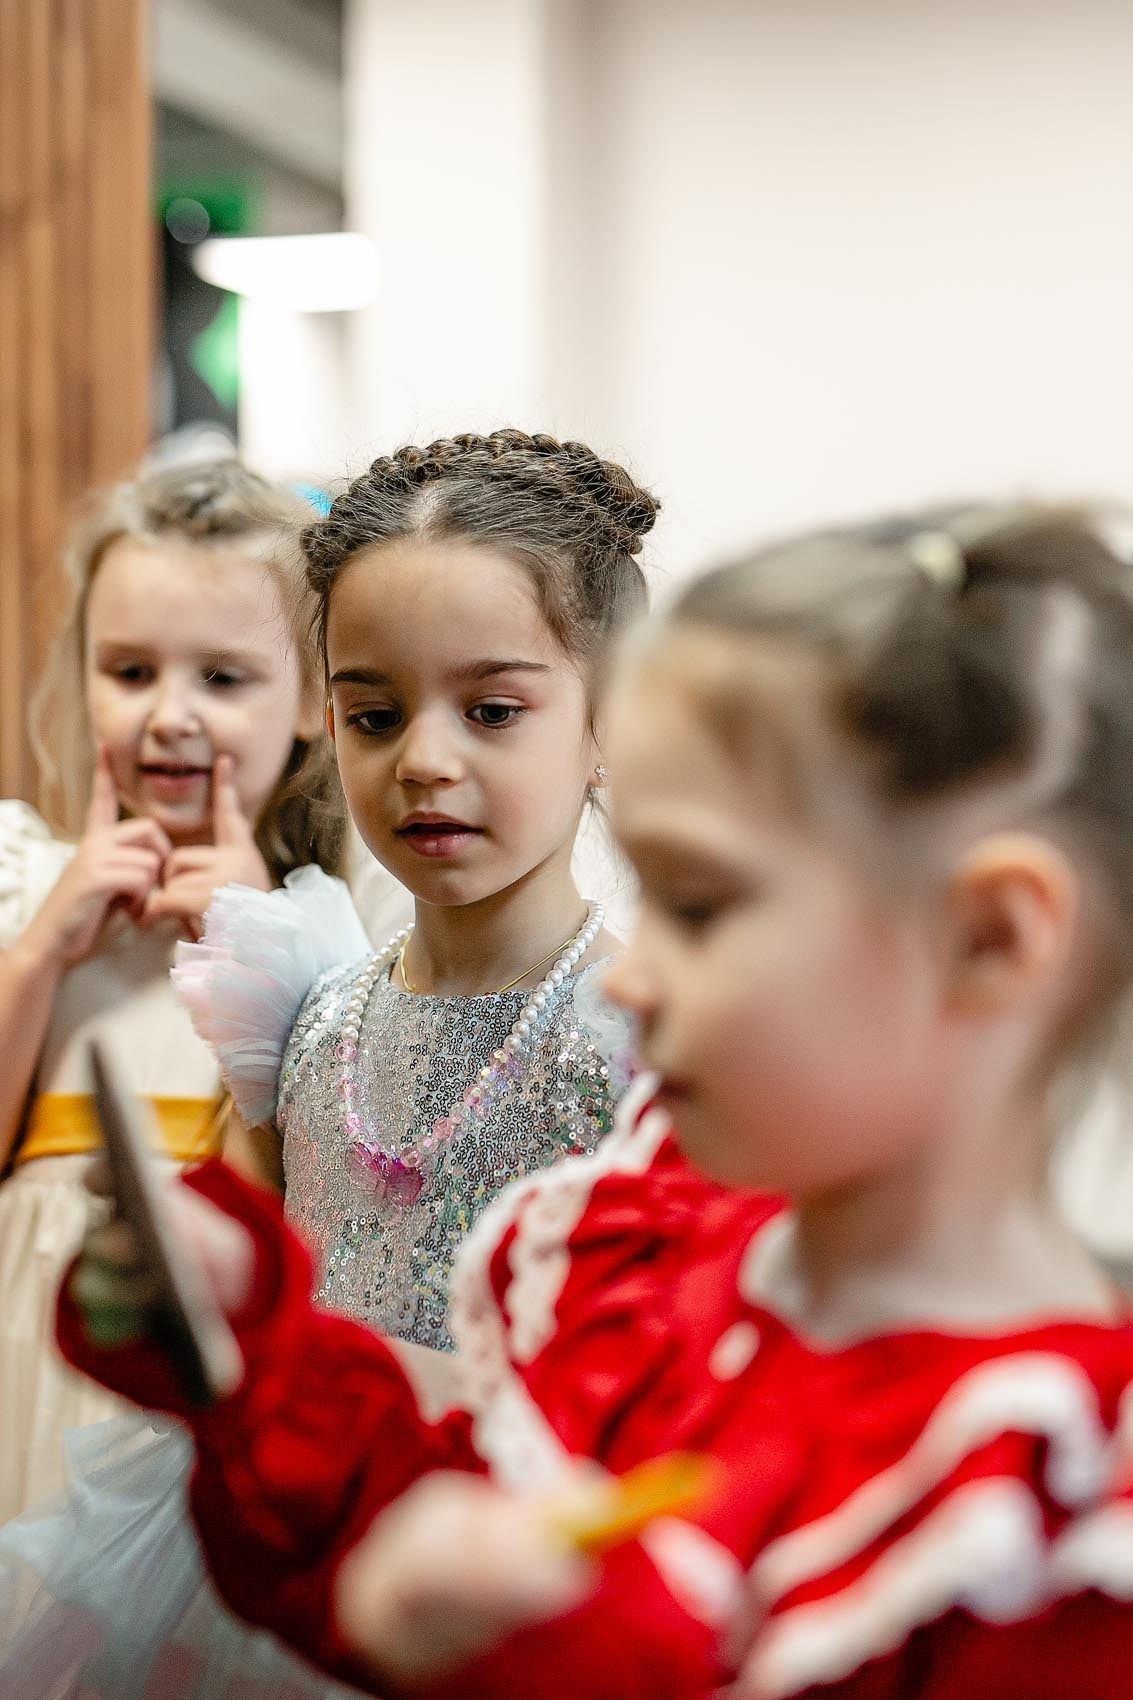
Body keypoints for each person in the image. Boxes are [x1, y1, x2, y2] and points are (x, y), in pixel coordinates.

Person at [58, 504, 1133, 1699]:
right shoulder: (635, 1258)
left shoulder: (1054, 1496)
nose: (628, 970)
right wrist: (246, 1326)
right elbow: (448, 1517)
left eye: (699, 905)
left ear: (986, 938)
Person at [1, 429, 652, 1699]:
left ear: (604, 722)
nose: (422, 757)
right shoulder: (304, 1007)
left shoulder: (640, 1036)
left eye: (494, 709)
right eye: (373, 710)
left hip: (492, 1569)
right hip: (270, 1568)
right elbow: (252, 1270)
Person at [0, 455, 339, 1524]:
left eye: (223, 678)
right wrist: (41, 950)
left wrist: (258, 944)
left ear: (315, 703)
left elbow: (317, 1201)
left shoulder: (330, 925)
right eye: (131, 670)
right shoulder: (19, 885)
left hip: (186, 1396)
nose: (169, 716)